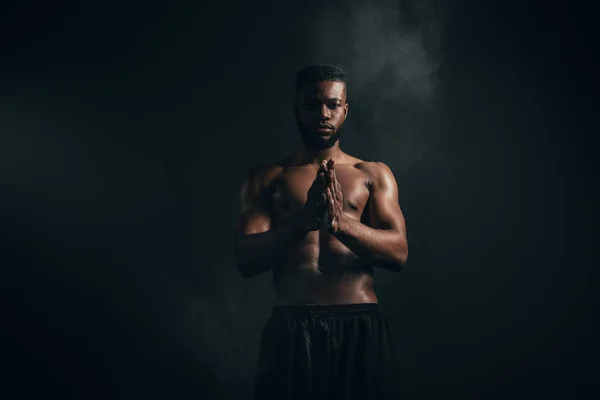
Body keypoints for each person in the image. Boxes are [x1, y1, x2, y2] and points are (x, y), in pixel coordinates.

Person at [234, 64, 408, 399]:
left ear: (345, 109)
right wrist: (304, 221)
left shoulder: (373, 173)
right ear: (297, 110)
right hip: (292, 326)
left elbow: (398, 253)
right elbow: (246, 260)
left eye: (332, 105)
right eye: (313, 105)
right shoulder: (267, 177)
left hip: (361, 324)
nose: (323, 114)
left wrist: (341, 224)